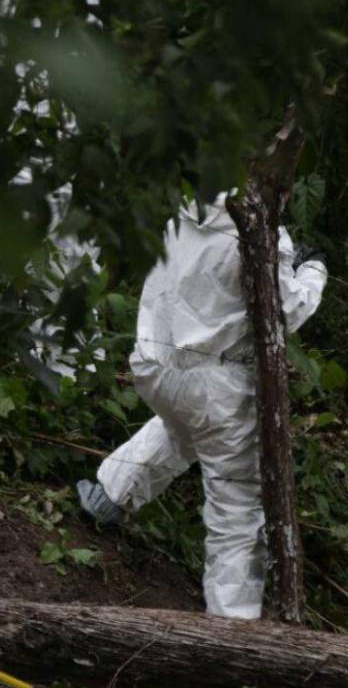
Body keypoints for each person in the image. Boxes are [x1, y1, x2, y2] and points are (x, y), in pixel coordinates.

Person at [77, 190, 328, 619]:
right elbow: (285, 309)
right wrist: (314, 271)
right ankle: (234, 623)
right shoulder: (261, 233)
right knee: (236, 505)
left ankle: (110, 495)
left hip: (156, 363)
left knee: (180, 428)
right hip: (217, 384)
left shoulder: (186, 207)